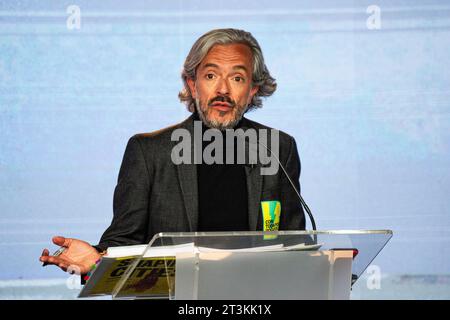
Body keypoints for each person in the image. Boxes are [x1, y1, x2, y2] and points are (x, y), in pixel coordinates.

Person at [39, 28, 306, 275]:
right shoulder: (148, 152)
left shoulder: (278, 148)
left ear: (252, 91)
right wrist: (97, 259)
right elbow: (124, 239)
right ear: (192, 85)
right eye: (211, 76)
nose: (223, 90)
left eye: (237, 78)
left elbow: (294, 243)